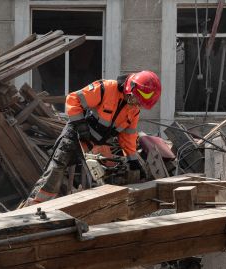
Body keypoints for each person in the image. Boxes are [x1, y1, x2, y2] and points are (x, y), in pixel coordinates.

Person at [25, 71, 162, 205]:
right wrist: (79, 124)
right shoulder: (106, 88)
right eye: (135, 100)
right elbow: (73, 99)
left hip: (97, 144)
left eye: (140, 104)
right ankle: (34, 205)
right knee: (56, 169)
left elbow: (128, 135)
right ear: (129, 88)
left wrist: (132, 160)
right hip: (76, 135)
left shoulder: (133, 109)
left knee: (103, 179)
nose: (136, 105)